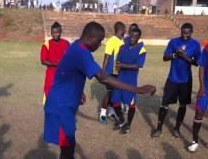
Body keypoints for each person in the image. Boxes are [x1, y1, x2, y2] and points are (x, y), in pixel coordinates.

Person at [43, 21, 156, 159]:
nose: (100, 44)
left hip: (61, 104)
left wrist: (79, 91)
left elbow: (67, 71)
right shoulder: (82, 53)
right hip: (60, 107)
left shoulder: (76, 46)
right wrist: (137, 89)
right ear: (90, 37)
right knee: (67, 149)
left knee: (68, 147)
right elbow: (103, 78)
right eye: (99, 41)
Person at [151, 23, 201, 139]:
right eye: (183, 32)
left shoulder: (195, 44)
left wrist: (185, 57)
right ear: (181, 31)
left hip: (186, 80)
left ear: (192, 32)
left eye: (188, 33)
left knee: (182, 105)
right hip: (172, 78)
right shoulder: (173, 42)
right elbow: (165, 57)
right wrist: (175, 55)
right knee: (164, 103)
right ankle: (159, 129)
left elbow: (198, 62)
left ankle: (177, 129)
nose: (185, 35)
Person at [111, 28, 146, 134]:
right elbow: (118, 60)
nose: (132, 38)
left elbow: (137, 66)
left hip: (131, 81)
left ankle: (128, 125)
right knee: (114, 101)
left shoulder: (142, 50)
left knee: (131, 104)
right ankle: (121, 120)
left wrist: (122, 65)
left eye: (135, 37)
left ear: (139, 38)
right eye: (131, 36)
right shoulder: (123, 47)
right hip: (120, 79)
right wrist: (118, 65)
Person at [99, 22, 126, 124]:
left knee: (114, 94)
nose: (125, 31)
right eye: (124, 28)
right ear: (121, 29)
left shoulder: (121, 41)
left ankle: (111, 112)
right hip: (110, 72)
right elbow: (107, 57)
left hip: (118, 73)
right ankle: (102, 114)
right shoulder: (111, 40)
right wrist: (103, 72)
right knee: (110, 94)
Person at [187, 42, 208, 152]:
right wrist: (201, 86)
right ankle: (195, 141)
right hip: (207, 87)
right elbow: (202, 67)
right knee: (199, 112)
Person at [41, 22, 70, 105]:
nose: (55, 34)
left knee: (63, 100)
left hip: (64, 77)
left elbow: (71, 57)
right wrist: (57, 64)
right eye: (53, 32)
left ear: (60, 32)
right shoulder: (46, 44)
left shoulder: (66, 43)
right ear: (51, 33)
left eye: (57, 32)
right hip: (51, 77)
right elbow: (43, 61)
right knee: (50, 100)